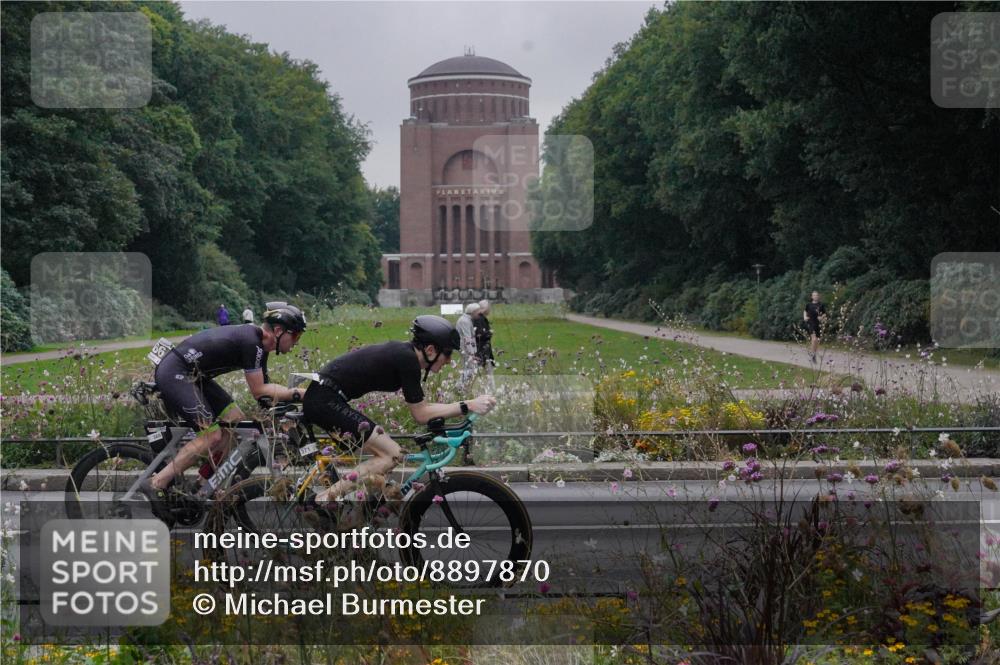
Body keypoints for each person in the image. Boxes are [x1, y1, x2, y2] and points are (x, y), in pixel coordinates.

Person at [303, 315, 496, 511]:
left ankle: (361, 513)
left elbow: (422, 407)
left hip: (326, 398)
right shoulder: (407, 359)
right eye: (447, 355)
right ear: (430, 350)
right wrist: (468, 405)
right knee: (392, 454)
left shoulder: (405, 355)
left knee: (384, 457)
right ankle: (323, 501)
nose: (448, 361)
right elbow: (421, 415)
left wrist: (465, 406)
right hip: (325, 400)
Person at [139, 303, 307, 517]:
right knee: (212, 434)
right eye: (295, 337)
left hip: (195, 377)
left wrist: (282, 410)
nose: (295, 343)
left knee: (236, 421)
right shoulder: (251, 342)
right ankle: (156, 483)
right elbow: (259, 389)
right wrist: (299, 393)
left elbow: (264, 396)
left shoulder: (259, 349)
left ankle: (201, 485)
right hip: (176, 373)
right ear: (277, 331)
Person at [456, 302, 480, 390]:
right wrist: (472, 353)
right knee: (469, 368)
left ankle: (463, 387)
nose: (479, 313)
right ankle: (459, 387)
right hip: (465, 349)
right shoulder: (464, 321)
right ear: (473, 312)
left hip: (466, 348)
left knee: (471, 368)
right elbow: (467, 338)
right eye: (478, 311)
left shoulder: (467, 319)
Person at [474, 299, 496, 389]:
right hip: (482, 350)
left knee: (487, 370)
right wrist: (489, 333)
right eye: (489, 308)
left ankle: (490, 388)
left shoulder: (480, 318)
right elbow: (478, 334)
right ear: (485, 309)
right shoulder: (479, 319)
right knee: (484, 371)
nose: (490, 310)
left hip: (484, 349)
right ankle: (491, 389)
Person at [803, 291, 827, 364]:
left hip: (818, 325)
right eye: (814, 295)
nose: (815, 296)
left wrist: (822, 317)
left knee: (816, 341)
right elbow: (805, 311)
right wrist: (805, 317)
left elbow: (825, 314)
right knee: (814, 339)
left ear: (818, 296)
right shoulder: (809, 305)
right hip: (811, 323)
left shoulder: (821, 305)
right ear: (812, 297)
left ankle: (812, 353)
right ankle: (813, 355)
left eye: (817, 295)